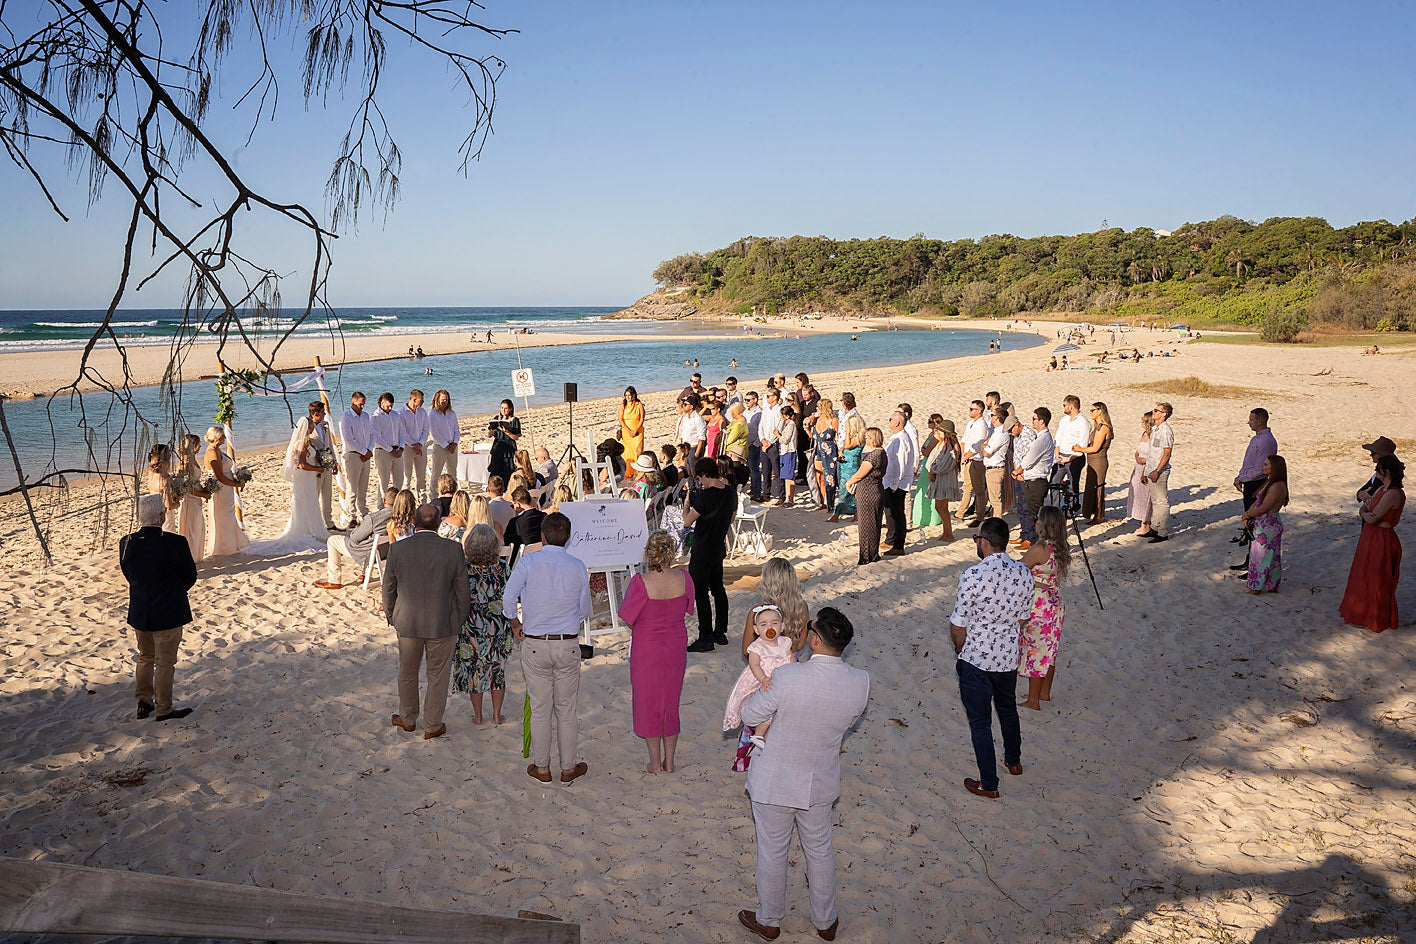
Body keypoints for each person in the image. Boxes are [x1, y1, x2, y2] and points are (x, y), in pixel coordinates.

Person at [736, 607, 870, 942]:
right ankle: (826, 921)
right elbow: (846, 723)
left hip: (774, 780)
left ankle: (769, 920)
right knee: (820, 848)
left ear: (813, 640)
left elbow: (751, 714)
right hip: (820, 780)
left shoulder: (788, 676)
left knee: (773, 850)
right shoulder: (860, 681)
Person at [502, 512, 593, 783]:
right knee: (566, 709)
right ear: (567, 538)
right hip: (566, 643)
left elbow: (508, 597)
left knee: (541, 708)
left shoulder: (529, 561)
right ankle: (568, 766)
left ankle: (542, 766)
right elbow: (583, 611)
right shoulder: (577, 565)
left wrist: (516, 624)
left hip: (534, 643)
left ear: (542, 536)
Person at [949, 516, 1034, 798]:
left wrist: (961, 650)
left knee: (980, 722)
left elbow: (958, 624)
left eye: (976, 539)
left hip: (976, 658)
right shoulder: (1023, 573)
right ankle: (1014, 760)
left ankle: (989, 783)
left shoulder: (972, 576)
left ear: (984, 542)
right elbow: (1023, 619)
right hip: (1008, 657)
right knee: (1008, 709)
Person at [383, 503, 470, 740]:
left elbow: (388, 587)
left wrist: (391, 615)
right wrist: (459, 618)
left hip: (408, 621)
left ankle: (408, 718)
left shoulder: (399, 549)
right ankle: (432, 724)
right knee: (438, 675)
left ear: (414, 522)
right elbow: (463, 589)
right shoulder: (453, 549)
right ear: (439, 523)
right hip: (443, 621)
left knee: (408, 672)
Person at [620, 530, 694, 773]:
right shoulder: (685, 578)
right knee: (670, 703)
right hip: (675, 647)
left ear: (649, 554)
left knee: (648, 703)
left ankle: (655, 762)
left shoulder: (640, 583)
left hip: (648, 649)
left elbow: (628, 618)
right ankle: (670, 761)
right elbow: (687, 609)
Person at [119, 494, 198, 721]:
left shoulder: (127, 542)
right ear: (161, 516)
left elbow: (129, 574)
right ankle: (163, 708)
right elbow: (189, 576)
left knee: (145, 656)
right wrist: (174, 591)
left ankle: (143, 701)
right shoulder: (176, 542)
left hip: (141, 609)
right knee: (164, 661)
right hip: (168, 609)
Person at [250, 400, 335, 552]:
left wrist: (331, 463)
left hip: (312, 473)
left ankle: (318, 525)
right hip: (308, 474)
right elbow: (301, 464)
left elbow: (326, 447)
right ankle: (307, 529)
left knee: (311, 502)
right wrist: (318, 469)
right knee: (307, 501)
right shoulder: (301, 444)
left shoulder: (316, 434)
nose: (310, 430)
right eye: (309, 428)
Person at [452, 524, 515, 725]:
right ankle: (497, 715)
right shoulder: (502, 567)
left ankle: (478, 716)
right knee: (497, 670)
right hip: (497, 625)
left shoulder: (463, 569)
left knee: (473, 672)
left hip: (470, 625)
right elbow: (511, 595)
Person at [1339, 454, 1404, 632]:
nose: (1376, 472)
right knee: (1363, 574)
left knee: (1379, 579)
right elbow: (1364, 509)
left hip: (1382, 538)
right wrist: (1365, 514)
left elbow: (1373, 515)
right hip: (1370, 536)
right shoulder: (1381, 490)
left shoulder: (1393, 494)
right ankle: (1362, 614)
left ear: (1387, 471)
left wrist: (1367, 514)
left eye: (1379, 469)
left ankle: (1378, 618)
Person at [1018, 506, 1071, 710]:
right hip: (1055, 602)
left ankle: (1033, 700)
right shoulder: (1060, 547)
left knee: (1035, 650)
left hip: (1039, 605)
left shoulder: (1039, 550)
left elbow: (1019, 569)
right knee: (1050, 650)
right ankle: (1043, 693)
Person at [724, 605, 796, 752]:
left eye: (774, 623)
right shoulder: (757, 647)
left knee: (780, 709)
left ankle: (771, 736)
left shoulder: (784, 643)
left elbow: (791, 659)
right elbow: (754, 665)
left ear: (782, 626)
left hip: (782, 680)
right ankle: (759, 734)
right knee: (765, 709)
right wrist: (763, 678)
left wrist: (793, 673)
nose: (770, 627)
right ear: (756, 630)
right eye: (764, 625)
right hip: (762, 681)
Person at [685, 458, 735, 652]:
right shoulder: (730, 492)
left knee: (701, 594)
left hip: (702, 550)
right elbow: (731, 518)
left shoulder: (704, 497)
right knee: (718, 589)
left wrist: (687, 504)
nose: (700, 482)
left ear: (704, 475)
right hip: (717, 548)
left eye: (700, 478)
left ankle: (705, 636)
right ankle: (720, 631)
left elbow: (687, 522)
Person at [318, 487, 397, 589]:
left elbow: (354, 538)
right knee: (370, 539)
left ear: (384, 501)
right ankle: (364, 574)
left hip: (369, 555)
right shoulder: (402, 517)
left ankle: (334, 580)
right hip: (388, 553)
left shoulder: (373, 518)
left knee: (332, 540)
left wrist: (358, 528)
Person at [1239, 456, 1288, 594]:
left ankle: (1257, 587)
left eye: (1266, 464)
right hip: (1262, 524)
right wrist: (1248, 513)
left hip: (1269, 525)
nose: (1263, 466)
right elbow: (1258, 501)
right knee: (1260, 555)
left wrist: (1248, 515)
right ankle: (1266, 584)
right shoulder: (1269, 482)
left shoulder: (1278, 486)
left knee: (1263, 557)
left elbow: (1265, 507)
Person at [203, 425, 249, 556]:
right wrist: (236, 484)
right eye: (222, 436)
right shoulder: (212, 453)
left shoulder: (218, 450)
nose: (224, 438)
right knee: (224, 515)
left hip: (226, 488)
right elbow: (220, 476)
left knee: (228, 514)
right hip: (221, 489)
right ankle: (224, 547)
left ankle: (231, 543)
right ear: (217, 438)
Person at [845, 428, 887, 565]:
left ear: (873, 439)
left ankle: (867, 556)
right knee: (874, 524)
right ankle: (872, 554)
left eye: (868, 438)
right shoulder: (882, 453)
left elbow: (860, 474)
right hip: (876, 490)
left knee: (866, 525)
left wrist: (849, 482)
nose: (866, 440)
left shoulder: (873, 455)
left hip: (868, 493)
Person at [1015, 407, 1055, 550]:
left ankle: (1039, 547)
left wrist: (1016, 472)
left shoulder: (1042, 439)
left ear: (1042, 421)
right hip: (1034, 480)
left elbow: (1027, 461)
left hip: (1036, 482)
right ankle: (1037, 545)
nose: (1032, 421)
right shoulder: (1041, 438)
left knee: (1035, 517)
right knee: (1034, 515)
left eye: (1034, 419)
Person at [881, 410, 916, 554]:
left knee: (897, 513)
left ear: (897, 422)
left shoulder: (902, 439)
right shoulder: (897, 437)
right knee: (891, 513)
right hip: (891, 481)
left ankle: (898, 545)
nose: (889, 421)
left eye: (890, 419)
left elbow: (901, 463)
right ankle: (892, 540)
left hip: (896, 483)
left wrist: (895, 484)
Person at [1075, 402, 1114, 525]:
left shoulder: (1104, 427)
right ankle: (1093, 513)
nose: (1090, 412)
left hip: (1099, 461)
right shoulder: (1097, 426)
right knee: (1091, 486)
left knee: (1097, 488)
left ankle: (1098, 515)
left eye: (1092, 410)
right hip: (1092, 461)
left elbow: (1095, 448)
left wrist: (1080, 449)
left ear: (1099, 411)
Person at [175, 433, 210, 562]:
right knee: (190, 528)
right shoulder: (185, 463)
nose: (200, 446)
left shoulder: (193, 459)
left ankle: (196, 555)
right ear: (192, 446)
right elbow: (186, 486)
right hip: (189, 499)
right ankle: (190, 557)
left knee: (198, 526)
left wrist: (205, 489)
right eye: (198, 444)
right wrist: (203, 494)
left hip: (196, 498)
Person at [925, 419, 961, 542]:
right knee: (940, 507)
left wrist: (933, 471)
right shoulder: (941, 445)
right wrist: (932, 470)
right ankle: (947, 532)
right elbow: (931, 459)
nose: (938, 434)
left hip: (945, 480)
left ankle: (948, 533)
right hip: (939, 479)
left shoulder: (951, 447)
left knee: (941, 506)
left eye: (940, 432)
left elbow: (945, 465)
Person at [341, 391, 375, 518]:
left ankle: (363, 513)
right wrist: (364, 451)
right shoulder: (346, 417)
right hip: (353, 454)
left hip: (366, 454)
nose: (362, 407)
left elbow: (372, 434)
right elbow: (349, 439)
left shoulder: (366, 416)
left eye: (363, 404)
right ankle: (351, 515)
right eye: (360, 404)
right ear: (353, 402)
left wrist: (369, 450)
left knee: (363, 487)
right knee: (352, 487)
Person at [830, 394, 864, 522]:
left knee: (847, 488)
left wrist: (848, 432)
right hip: (847, 462)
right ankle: (853, 514)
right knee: (847, 487)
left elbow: (849, 444)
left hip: (851, 465)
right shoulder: (856, 435)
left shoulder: (858, 437)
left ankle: (837, 515)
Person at [956, 400, 990, 527]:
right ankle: (960, 513)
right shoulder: (971, 423)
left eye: (972, 409)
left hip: (977, 460)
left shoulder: (982, 425)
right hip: (969, 458)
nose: (969, 411)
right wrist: (964, 454)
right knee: (967, 487)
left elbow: (978, 445)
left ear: (979, 411)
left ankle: (980, 516)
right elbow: (964, 440)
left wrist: (967, 456)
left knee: (979, 490)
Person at [1144, 402, 1174, 542]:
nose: (1153, 412)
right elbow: (1152, 453)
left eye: (1157, 410)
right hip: (1151, 470)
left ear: (1164, 414)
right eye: (1153, 410)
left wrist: (1157, 470)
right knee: (1155, 500)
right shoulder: (1155, 429)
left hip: (1159, 471)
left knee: (1162, 501)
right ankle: (1154, 528)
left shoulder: (1166, 431)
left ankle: (1162, 532)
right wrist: (1146, 472)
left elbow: (1167, 454)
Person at [1053, 395, 1092, 503]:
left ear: (1071, 406)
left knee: (1072, 485)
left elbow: (1082, 446)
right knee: (1054, 483)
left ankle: (1072, 510)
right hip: (1060, 456)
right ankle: (1055, 509)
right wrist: (1057, 450)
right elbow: (1058, 436)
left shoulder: (1083, 423)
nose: (1064, 407)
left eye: (1064, 405)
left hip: (1074, 458)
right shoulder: (1064, 420)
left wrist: (1069, 459)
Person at [398, 389, 431, 502]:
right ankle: (405, 501)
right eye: (421, 400)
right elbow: (402, 432)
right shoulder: (402, 413)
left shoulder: (422, 412)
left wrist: (420, 443)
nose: (422, 402)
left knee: (421, 477)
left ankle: (422, 501)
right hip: (407, 447)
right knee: (406, 477)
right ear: (414, 399)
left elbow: (426, 429)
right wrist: (413, 445)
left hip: (421, 446)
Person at [912, 414, 945, 530]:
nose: (928, 422)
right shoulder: (932, 434)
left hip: (930, 464)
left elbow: (926, 451)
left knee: (927, 491)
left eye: (930, 421)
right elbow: (923, 449)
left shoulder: (937, 436)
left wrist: (924, 450)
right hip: (926, 462)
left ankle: (929, 518)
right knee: (923, 490)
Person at [370, 392, 405, 495]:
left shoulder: (395, 415)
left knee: (399, 479)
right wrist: (390, 449)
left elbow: (402, 432)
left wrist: (401, 448)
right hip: (383, 451)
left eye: (391, 406)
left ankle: (397, 502)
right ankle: (381, 505)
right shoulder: (375, 417)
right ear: (381, 403)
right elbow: (377, 437)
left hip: (397, 450)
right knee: (383, 480)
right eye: (387, 406)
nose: (389, 408)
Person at [981, 406, 1010, 522]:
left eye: (992, 415)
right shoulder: (997, 432)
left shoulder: (1000, 433)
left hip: (995, 469)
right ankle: (995, 520)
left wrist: (984, 446)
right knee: (993, 498)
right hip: (992, 468)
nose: (991, 417)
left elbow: (986, 452)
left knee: (995, 500)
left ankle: (997, 523)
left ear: (997, 418)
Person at [427, 389, 460, 489]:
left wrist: (454, 443)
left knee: (452, 472)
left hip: (452, 446)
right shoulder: (432, 414)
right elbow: (435, 432)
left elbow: (456, 429)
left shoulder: (452, 413)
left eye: (446, 400)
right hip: (440, 446)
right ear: (437, 400)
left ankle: (452, 493)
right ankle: (433, 495)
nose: (444, 402)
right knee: (436, 473)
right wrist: (446, 445)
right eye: (443, 400)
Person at [1128, 412, 1154, 534]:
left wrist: (1143, 466)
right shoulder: (1144, 434)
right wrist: (1137, 457)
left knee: (1146, 496)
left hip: (1146, 468)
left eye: (1143, 420)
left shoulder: (1153, 436)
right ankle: (1142, 522)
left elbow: (1153, 456)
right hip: (1138, 467)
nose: (1141, 422)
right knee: (1138, 494)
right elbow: (1138, 450)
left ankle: (1146, 523)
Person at [812, 399, 839, 513]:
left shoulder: (834, 420)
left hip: (830, 453)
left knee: (831, 479)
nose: (817, 409)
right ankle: (821, 502)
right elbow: (813, 437)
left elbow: (839, 436)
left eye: (819, 407)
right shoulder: (818, 420)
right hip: (818, 452)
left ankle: (831, 505)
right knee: (819, 478)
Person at [757, 388, 783, 502]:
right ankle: (766, 493)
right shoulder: (766, 410)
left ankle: (781, 495)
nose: (766, 398)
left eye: (769, 396)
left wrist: (770, 442)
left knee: (777, 471)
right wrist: (762, 439)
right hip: (764, 442)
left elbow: (779, 428)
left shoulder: (779, 410)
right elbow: (761, 426)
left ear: (775, 397)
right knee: (765, 470)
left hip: (773, 444)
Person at [487, 399, 521, 485]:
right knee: (495, 470)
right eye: (502, 408)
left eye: (505, 408)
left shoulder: (514, 420)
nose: (503, 410)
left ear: (510, 409)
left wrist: (506, 432)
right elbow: (489, 435)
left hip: (509, 446)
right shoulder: (496, 418)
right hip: (498, 446)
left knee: (508, 470)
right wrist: (493, 429)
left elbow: (516, 437)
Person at [1358, 437, 1397, 504]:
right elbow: (1360, 493)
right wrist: (1361, 494)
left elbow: (1370, 495)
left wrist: (1362, 494)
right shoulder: (1380, 471)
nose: (1371, 455)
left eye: (1373, 453)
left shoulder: (1385, 473)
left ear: (1381, 455)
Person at [146, 444, 177, 528]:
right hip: (165, 515)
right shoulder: (164, 479)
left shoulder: (151, 473)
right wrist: (178, 504)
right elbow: (169, 506)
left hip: (153, 511)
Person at [505, 485, 545, 553]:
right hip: (541, 556)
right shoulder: (544, 516)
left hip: (520, 559)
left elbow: (507, 543)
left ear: (518, 504)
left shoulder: (515, 522)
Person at [775, 405, 798, 506]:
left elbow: (785, 440)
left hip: (789, 451)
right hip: (784, 451)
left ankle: (790, 498)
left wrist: (778, 435)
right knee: (785, 476)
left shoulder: (791, 425)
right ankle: (787, 498)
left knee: (789, 477)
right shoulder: (786, 423)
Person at [619, 386, 645, 465]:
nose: (628, 397)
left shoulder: (639, 405)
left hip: (637, 430)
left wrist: (635, 430)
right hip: (626, 431)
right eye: (626, 396)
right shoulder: (623, 405)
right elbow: (621, 420)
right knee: (628, 452)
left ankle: (638, 468)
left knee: (639, 451)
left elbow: (642, 419)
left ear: (633, 395)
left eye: (629, 395)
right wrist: (629, 431)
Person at [676, 393, 707, 460]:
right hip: (685, 448)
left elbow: (701, 437)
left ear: (691, 406)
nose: (683, 406)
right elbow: (683, 432)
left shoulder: (698, 419)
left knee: (693, 469)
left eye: (685, 405)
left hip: (693, 448)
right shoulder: (686, 418)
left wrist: (697, 453)